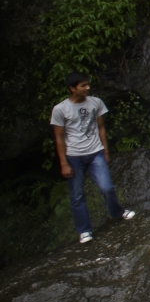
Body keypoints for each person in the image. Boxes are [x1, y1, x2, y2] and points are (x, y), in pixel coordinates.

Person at [51, 72, 135, 243]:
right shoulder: (60, 109)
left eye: (87, 84)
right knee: (77, 195)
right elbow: (59, 137)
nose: (87, 88)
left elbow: (101, 127)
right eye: (83, 86)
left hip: (95, 152)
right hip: (74, 156)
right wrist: (63, 163)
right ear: (72, 88)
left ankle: (118, 212)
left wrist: (105, 150)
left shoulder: (96, 103)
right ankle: (84, 230)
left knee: (106, 187)